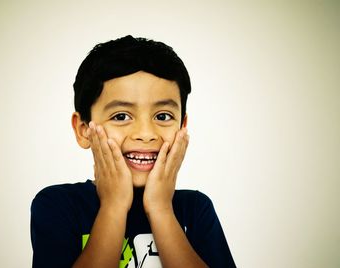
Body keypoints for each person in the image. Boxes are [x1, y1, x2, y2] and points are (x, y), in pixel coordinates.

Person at [30, 35, 236, 268]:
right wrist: (114, 205)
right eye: (121, 116)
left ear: (182, 127)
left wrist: (161, 209)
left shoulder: (195, 209)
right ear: (83, 129)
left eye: (163, 116)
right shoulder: (58, 205)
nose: (146, 133)